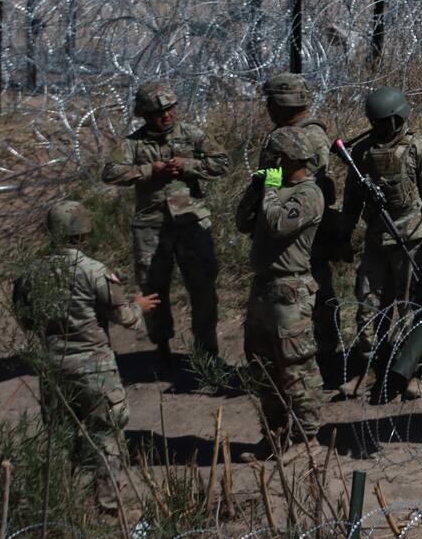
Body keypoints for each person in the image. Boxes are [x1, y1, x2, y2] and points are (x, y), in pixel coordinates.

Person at [12, 202, 159, 513]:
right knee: (107, 435)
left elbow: (25, 320)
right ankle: (107, 505)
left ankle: (58, 501)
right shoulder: (94, 272)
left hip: (53, 367)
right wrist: (139, 306)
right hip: (95, 369)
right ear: (84, 232)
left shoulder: (30, 274)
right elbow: (127, 319)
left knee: (59, 437)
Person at [101, 80, 229, 366]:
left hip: (191, 222)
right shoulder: (134, 143)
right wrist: (150, 170)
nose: (166, 116)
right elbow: (110, 173)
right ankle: (161, 347)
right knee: (152, 288)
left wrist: (188, 165)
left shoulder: (192, 135)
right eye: (159, 112)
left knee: (202, 287)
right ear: (145, 115)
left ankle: (207, 353)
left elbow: (222, 162)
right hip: (151, 225)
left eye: (170, 109)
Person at [337, 85, 422, 401]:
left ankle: (413, 371)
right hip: (376, 242)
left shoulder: (421, 148)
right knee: (368, 305)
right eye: (376, 123)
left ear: (400, 118)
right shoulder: (361, 153)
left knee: (411, 308)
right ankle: (370, 366)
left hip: (412, 242)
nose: (381, 129)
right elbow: (351, 200)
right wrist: (344, 236)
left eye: (387, 123)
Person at [236, 126, 328, 461]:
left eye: (274, 156)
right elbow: (243, 223)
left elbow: (277, 225)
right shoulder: (270, 191)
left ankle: (308, 438)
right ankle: (274, 433)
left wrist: (271, 190)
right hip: (263, 288)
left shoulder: (308, 194)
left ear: (286, 158)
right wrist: (256, 187)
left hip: (291, 291)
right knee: (262, 366)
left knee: (296, 366)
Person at [258, 73, 344, 372]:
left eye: (271, 100)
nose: (267, 106)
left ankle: (324, 356)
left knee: (314, 293)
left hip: (302, 229)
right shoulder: (294, 133)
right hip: (290, 224)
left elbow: (311, 188)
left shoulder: (308, 137)